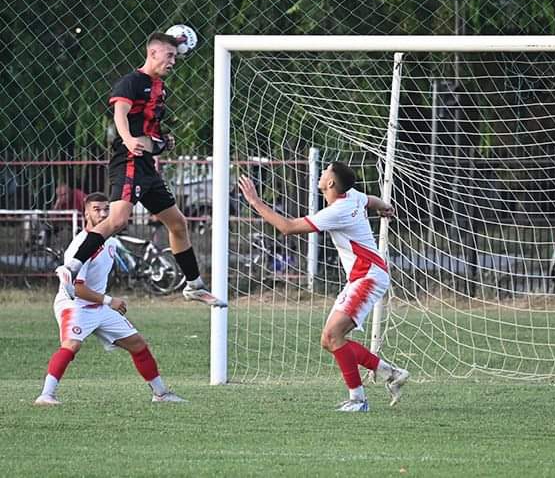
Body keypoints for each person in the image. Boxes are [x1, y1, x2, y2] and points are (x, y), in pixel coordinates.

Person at [54, 32, 223, 307]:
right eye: (169, 55)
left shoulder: (159, 87)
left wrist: (164, 140)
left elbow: (150, 127)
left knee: (178, 223)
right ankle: (71, 269)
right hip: (129, 160)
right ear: (153, 53)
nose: (173, 61)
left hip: (147, 167)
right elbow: (120, 114)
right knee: (118, 219)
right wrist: (130, 140)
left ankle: (194, 286)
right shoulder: (131, 82)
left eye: (175, 56)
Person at [238, 162, 409, 412]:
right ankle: (390, 373)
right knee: (329, 340)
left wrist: (255, 202)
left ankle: (359, 400)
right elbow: (370, 200)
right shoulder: (351, 196)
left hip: (368, 276)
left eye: (326, 171)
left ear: (330, 183)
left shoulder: (337, 210)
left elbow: (287, 228)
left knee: (332, 336)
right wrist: (384, 207)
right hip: (364, 275)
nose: (321, 174)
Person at [35, 192, 185, 405]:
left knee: (138, 343)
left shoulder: (110, 241)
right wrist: (109, 301)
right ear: (85, 212)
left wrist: (104, 302)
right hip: (75, 305)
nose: (103, 213)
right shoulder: (81, 246)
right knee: (71, 345)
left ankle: (161, 394)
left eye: (107, 209)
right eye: (96, 209)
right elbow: (77, 289)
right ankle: (46, 395)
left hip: (99, 306)